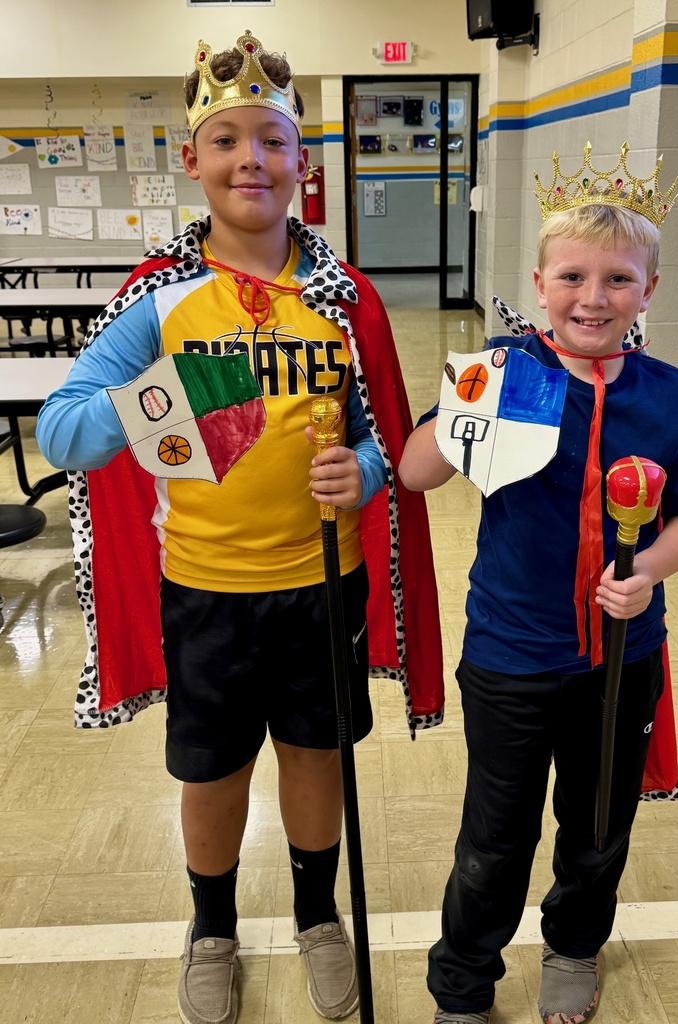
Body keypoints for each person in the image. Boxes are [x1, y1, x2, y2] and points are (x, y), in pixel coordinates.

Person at [36, 30, 443, 1024]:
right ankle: (210, 927)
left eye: (271, 139)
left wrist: (368, 471)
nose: (249, 161)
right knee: (212, 769)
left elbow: (383, 436)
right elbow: (64, 430)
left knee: (315, 756)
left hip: (321, 579)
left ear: (302, 162)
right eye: (227, 142)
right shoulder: (159, 301)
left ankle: (316, 917)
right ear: (193, 160)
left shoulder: (341, 300)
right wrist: (186, 391)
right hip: (207, 588)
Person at [398, 142, 678, 1024]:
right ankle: (463, 980)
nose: (593, 298)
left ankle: (573, 947)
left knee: (594, 829)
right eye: (572, 277)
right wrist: (469, 398)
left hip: (621, 658)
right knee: (493, 841)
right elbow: (417, 471)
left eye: (617, 280)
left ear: (646, 291)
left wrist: (650, 571)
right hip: (510, 654)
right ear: (539, 284)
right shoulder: (507, 374)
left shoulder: (670, 396)